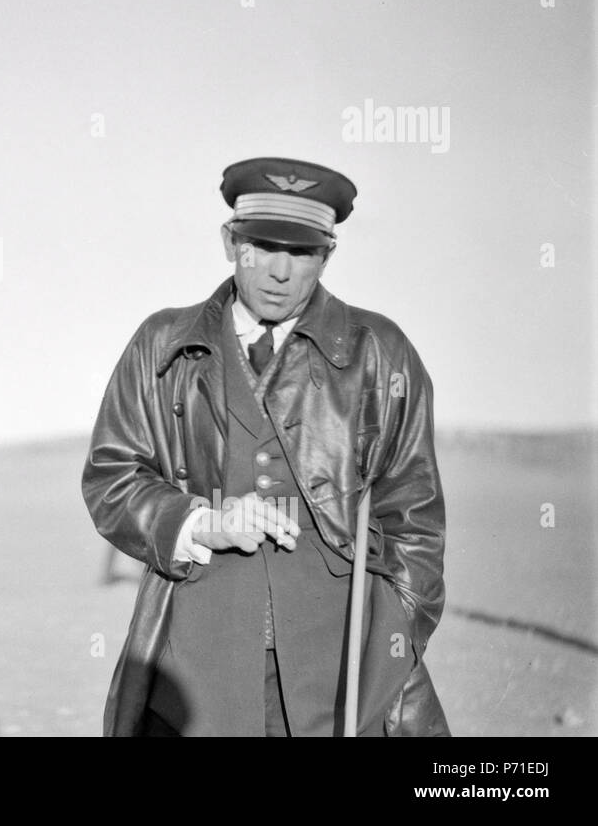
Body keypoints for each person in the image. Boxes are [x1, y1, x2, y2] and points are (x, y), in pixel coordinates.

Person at [82, 157, 448, 736]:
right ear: (231, 242)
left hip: (341, 662)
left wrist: (394, 642)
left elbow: (414, 517)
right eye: (261, 245)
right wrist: (200, 523)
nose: (278, 270)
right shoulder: (162, 345)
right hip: (196, 662)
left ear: (328, 254)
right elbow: (112, 475)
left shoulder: (381, 352)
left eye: (300, 252)